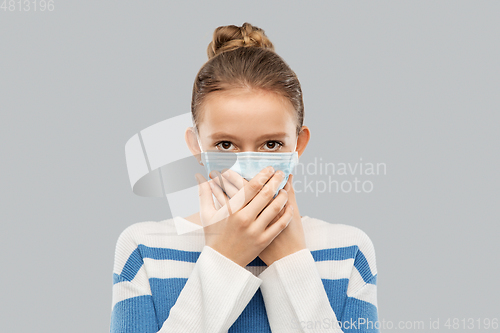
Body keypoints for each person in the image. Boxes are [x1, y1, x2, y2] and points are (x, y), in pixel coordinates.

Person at [110, 22, 379, 333]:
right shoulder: (144, 249)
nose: (248, 167)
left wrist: (290, 263)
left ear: (299, 145)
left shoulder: (349, 251)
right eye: (225, 144)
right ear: (196, 146)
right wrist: (224, 257)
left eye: (271, 144)